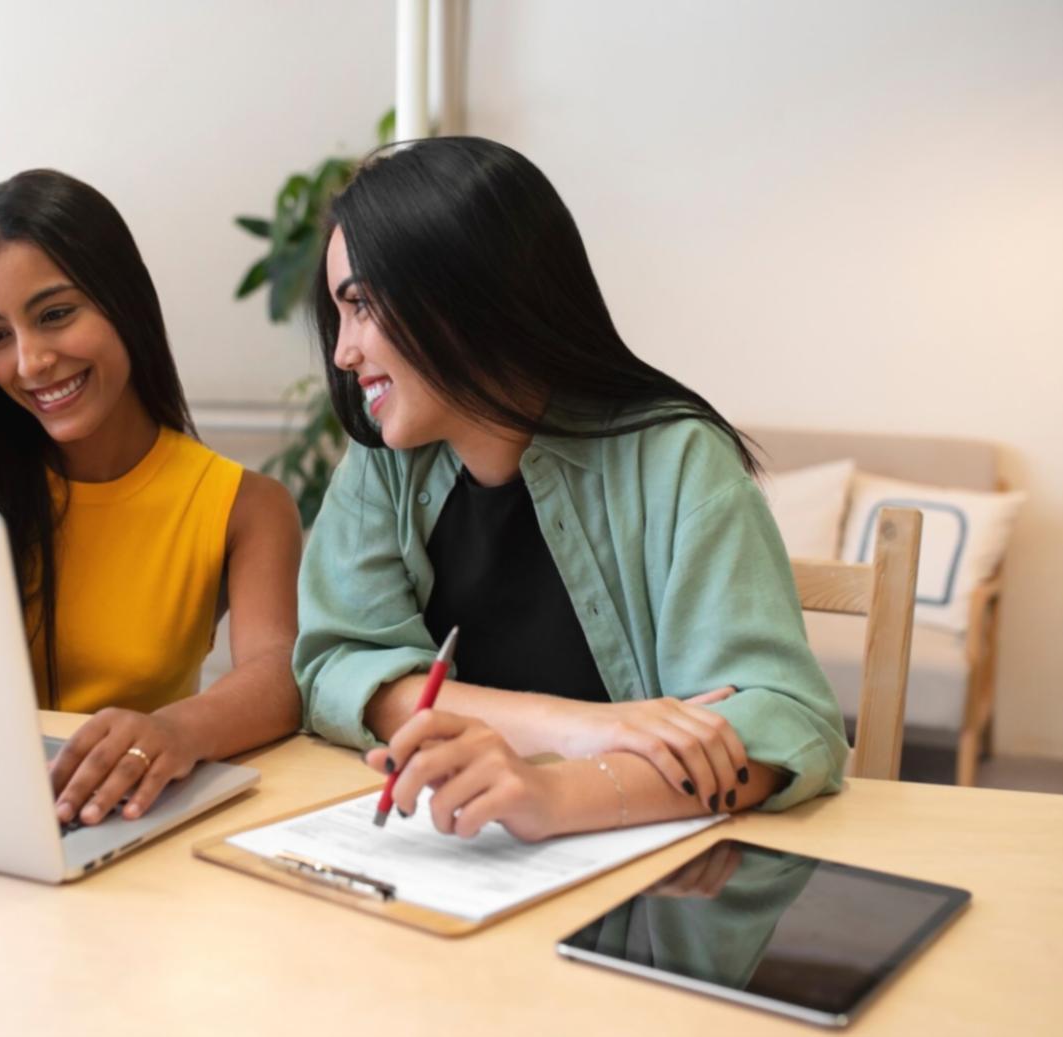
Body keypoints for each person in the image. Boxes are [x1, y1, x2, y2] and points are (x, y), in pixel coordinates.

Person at [293, 137, 848, 842]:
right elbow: (338, 666)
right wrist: (576, 728)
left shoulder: (676, 459)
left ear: (466, 291)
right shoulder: (383, 461)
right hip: (445, 851)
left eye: (363, 305)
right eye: (339, 313)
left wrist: (556, 791)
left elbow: (780, 723)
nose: (343, 352)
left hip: (650, 876)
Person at [0, 170, 301, 828]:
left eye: (54, 314)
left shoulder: (245, 507)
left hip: (118, 819)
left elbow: (276, 679)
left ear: (123, 300)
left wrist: (174, 731)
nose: (30, 362)